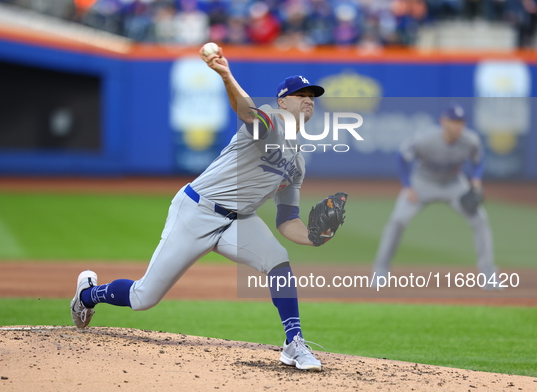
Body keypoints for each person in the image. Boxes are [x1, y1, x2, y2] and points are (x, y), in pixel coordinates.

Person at [70, 45, 332, 371]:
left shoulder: (298, 162)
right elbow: (247, 112)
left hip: (239, 221)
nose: (308, 99)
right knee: (143, 298)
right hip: (197, 211)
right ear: (282, 102)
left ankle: (294, 344)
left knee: (278, 260)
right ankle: (87, 295)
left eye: (312, 95)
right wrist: (225, 74)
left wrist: (315, 236)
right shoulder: (272, 121)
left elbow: (287, 220)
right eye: (300, 93)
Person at [371, 103, 498, 289]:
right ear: (444, 122)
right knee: (397, 221)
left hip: (454, 184)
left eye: (461, 122)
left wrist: (476, 179)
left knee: (480, 219)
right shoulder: (426, 139)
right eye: (454, 121)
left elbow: (479, 159)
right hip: (422, 183)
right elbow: (402, 156)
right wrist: (407, 186)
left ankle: (488, 274)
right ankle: (380, 270)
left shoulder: (471, 140)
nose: (458, 126)